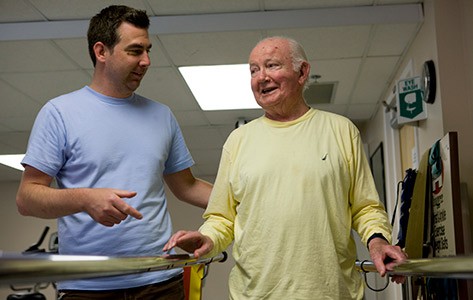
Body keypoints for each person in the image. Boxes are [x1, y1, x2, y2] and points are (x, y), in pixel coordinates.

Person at [164, 36, 407, 299]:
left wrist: (378, 241)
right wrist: (206, 239)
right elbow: (222, 217)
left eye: (272, 66)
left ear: (302, 72)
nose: (261, 77)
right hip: (256, 294)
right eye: (254, 70)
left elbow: (365, 207)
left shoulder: (340, 130)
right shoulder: (238, 141)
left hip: (330, 292)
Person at [15, 5, 212, 300]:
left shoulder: (162, 116)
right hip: (89, 287)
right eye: (135, 51)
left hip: (160, 280)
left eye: (148, 50)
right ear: (101, 51)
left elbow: (188, 186)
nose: (146, 61)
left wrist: (251, 200)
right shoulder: (59, 113)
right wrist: (85, 198)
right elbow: (27, 198)